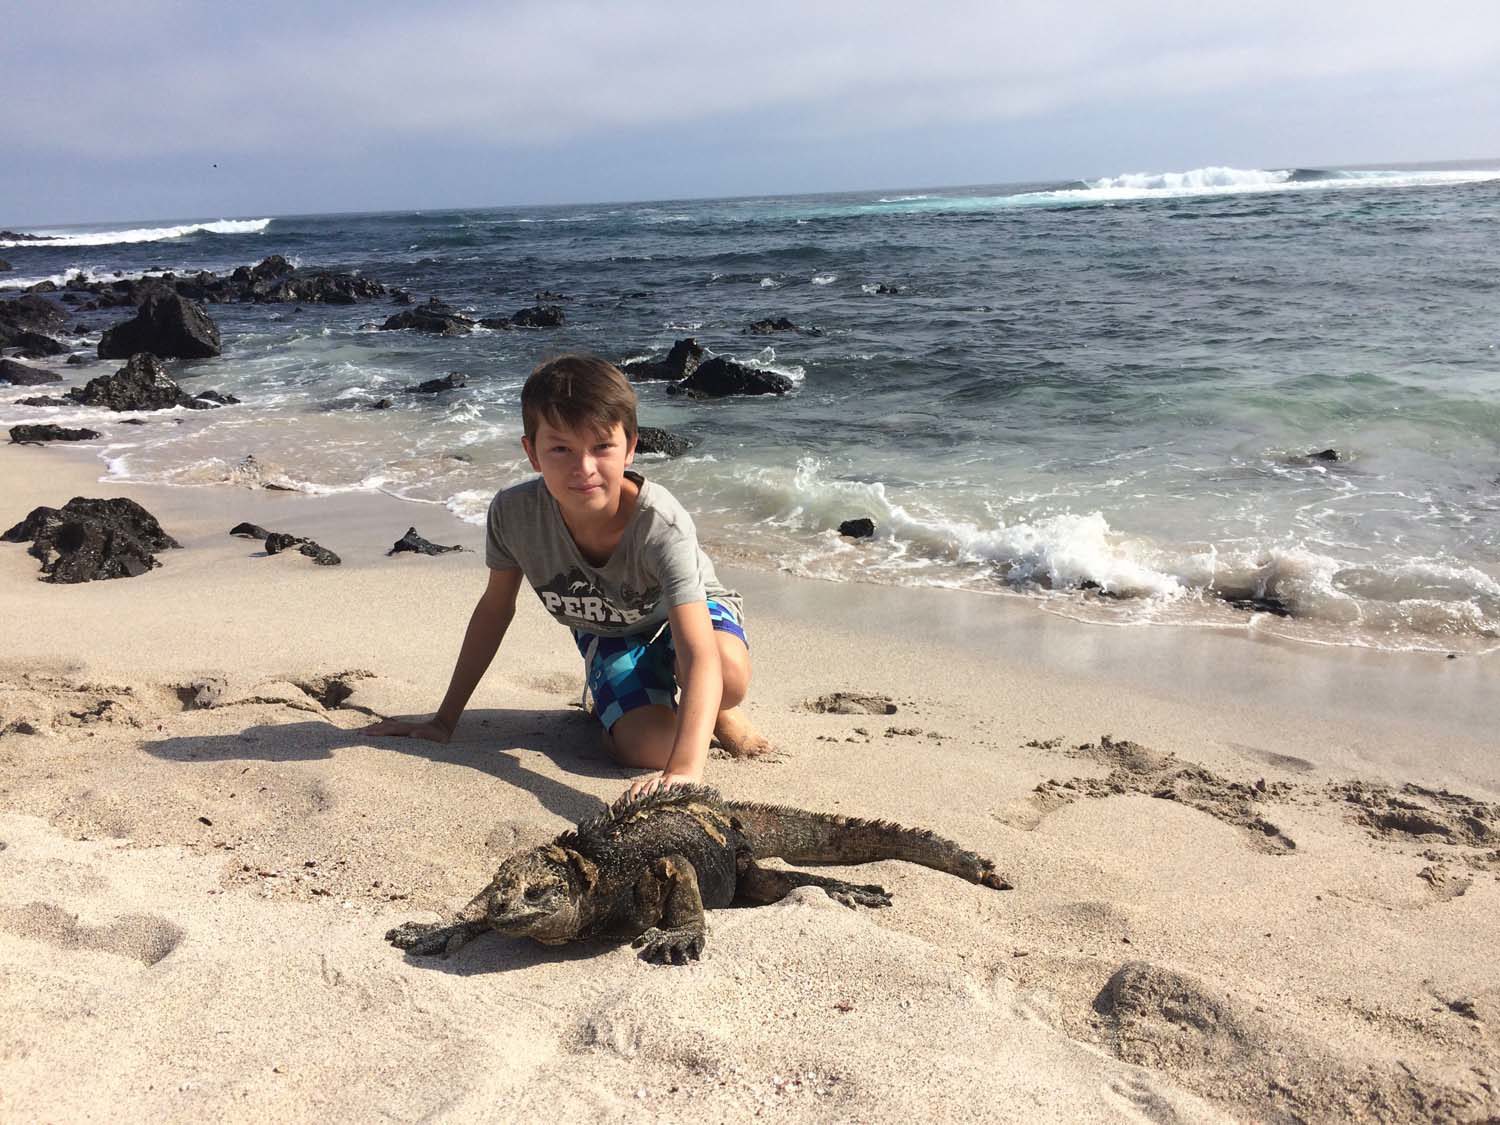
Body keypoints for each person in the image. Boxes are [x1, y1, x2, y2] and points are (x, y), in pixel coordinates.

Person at [364, 354, 769, 796]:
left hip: (688, 617)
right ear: (532, 453)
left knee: (725, 676)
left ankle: (715, 709)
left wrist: (687, 771)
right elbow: (494, 610)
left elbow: (696, 647)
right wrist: (444, 721)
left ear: (631, 447)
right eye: (561, 449)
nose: (584, 468)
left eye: (602, 447)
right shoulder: (515, 515)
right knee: (650, 748)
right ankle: (627, 711)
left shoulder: (659, 523)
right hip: (608, 631)